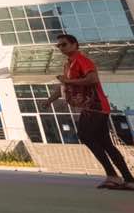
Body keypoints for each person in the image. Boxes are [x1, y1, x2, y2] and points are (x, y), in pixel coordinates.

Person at [42, 33, 133, 190]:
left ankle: (114, 175)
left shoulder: (82, 60)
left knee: (85, 135)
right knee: (106, 143)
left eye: (64, 44)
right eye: (59, 46)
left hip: (96, 106)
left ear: (74, 44)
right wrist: (50, 100)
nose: (60, 48)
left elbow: (93, 79)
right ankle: (126, 179)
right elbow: (65, 86)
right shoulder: (68, 65)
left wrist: (68, 81)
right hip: (89, 107)